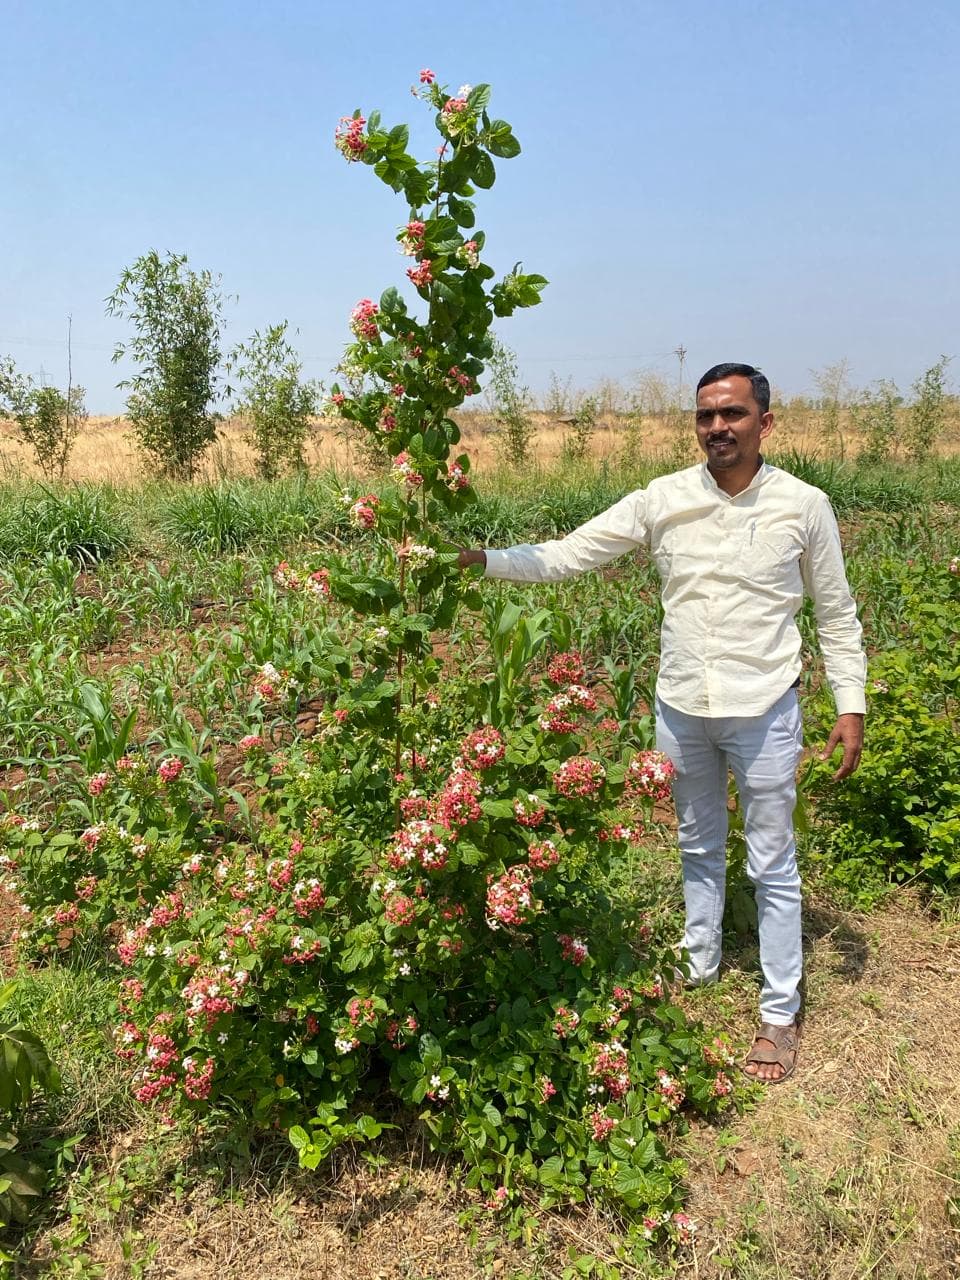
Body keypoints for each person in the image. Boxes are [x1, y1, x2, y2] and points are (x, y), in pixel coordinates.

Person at [458, 363, 866, 1083]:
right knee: (697, 844)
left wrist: (850, 706)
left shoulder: (804, 506)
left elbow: (836, 613)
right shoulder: (664, 500)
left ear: (765, 422)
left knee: (771, 860)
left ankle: (779, 1009)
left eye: (734, 414)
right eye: (707, 415)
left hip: (766, 707)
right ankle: (699, 964)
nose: (719, 427)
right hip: (681, 707)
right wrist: (482, 560)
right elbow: (567, 555)